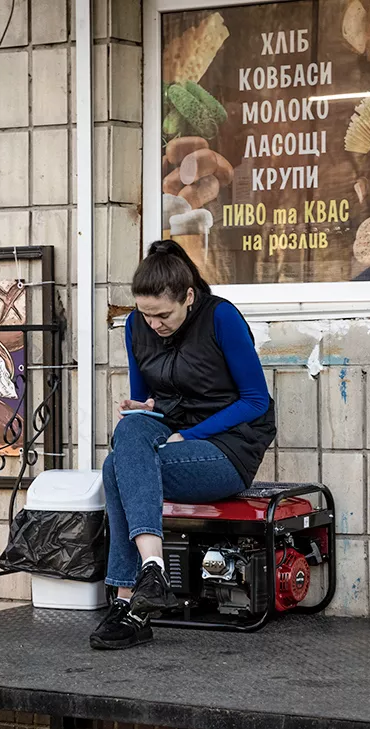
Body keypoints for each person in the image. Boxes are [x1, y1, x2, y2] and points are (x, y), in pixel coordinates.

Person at [89, 240, 276, 650]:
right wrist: (143, 407)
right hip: (171, 432)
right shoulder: (137, 326)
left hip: (227, 448)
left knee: (113, 470)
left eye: (163, 315)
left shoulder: (220, 317)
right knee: (129, 432)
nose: (153, 324)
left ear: (188, 297)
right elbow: (147, 399)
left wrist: (187, 435)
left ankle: (128, 606)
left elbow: (256, 400)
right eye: (145, 313)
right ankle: (152, 570)